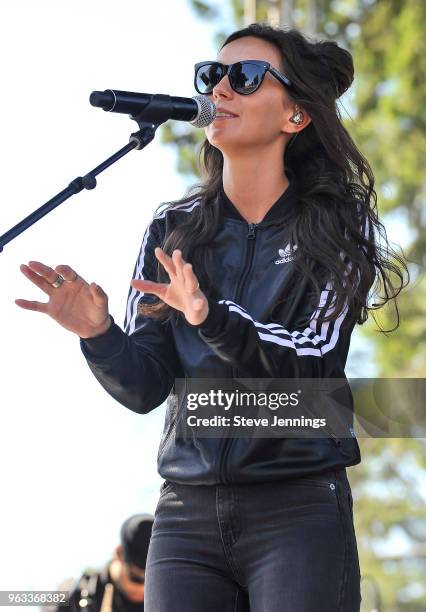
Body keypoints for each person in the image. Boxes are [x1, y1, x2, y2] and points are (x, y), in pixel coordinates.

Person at [16, 22, 408, 612]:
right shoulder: (172, 231)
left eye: (245, 78)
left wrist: (211, 317)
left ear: (295, 116)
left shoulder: (334, 229)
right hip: (185, 516)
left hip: (297, 510)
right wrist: (98, 335)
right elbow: (147, 386)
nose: (220, 90)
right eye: (211, 75)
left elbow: (309, 368)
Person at [43, 514, 153, 612]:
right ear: (119, 554)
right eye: (137, 578)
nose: (143, 588)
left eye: (153, 582)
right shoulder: (74, 591)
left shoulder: (163, 598)